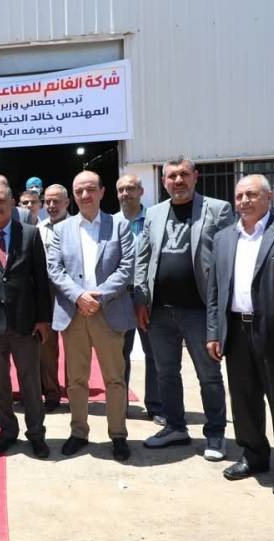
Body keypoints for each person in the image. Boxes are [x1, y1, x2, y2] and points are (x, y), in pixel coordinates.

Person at [206, 175, 274, 496]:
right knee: (243, 399)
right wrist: (214, 331)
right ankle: (253, 455)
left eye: (251, 194)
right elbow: (215, 290)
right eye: (239, 196)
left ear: (269, 197)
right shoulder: (224, 238)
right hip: (236, 330)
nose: (244, 201)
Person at [134, 157, 234, 460]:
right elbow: (143, 258)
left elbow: (227, 257)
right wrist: (141, 299)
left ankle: (215, 433)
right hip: (160, 311)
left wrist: (221, 310)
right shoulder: (154, 213)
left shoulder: (217, 210)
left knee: (209, 375)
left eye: (184, 175)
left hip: (199, 310)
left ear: (195, 177)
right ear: (163, 181)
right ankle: (175, 427)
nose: (178, 181)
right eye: (172, 176)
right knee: (165, 373)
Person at [48, 171, 135, 461]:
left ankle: (118, 435)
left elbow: (127, 267)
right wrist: (78, 296)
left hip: (108, 311)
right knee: (76, 380)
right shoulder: (61, 230)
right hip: (74, 313)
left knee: (114, 379)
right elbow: (55, 269)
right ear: (73, 196)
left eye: (90, 189)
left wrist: (98, 296)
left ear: (101, 191)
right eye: (79, 191)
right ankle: (78, 432)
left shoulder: (119, 226)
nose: (85, 195)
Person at [0, 181, 52, 458]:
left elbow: (41, 279)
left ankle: (36, 434)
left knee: (30, 383)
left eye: (1, 200)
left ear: (12, 203)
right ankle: (7, 432)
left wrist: (43, 319)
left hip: (25, 322)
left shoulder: (29, 234)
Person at [114, 174, 163, 425]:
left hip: (148, 295)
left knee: (153, 352)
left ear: (141, 191)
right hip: (120, 296)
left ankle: (156, 406)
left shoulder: (155, 220)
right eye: (121, 189)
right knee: (119, 354)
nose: (126, 194)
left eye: (131, 188)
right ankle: (119, 405)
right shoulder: (111, 223)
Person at [36, 184, 70, 411]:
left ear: (67, 202)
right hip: (46, 292)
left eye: (56, 201)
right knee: (47, 345)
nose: (51, 205)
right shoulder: (38, 229)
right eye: (47, 201)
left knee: (74, 345)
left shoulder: (78, 226)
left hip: (71, 292)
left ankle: (75, 392)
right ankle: (51, 393)